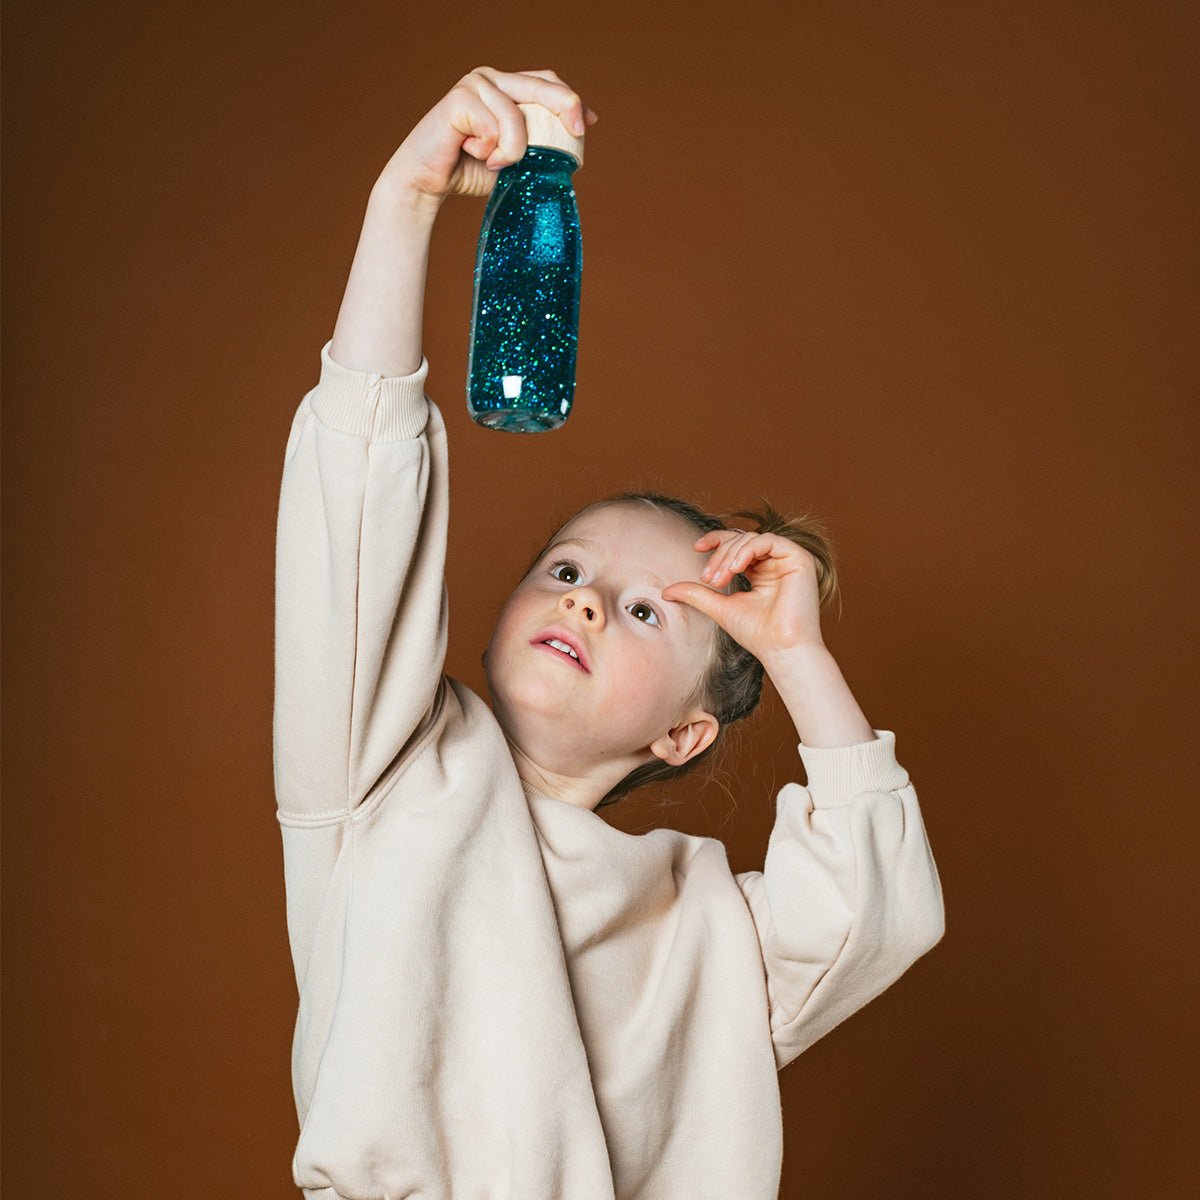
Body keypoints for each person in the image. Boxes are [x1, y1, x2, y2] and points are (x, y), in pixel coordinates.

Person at [273, 66, 946, 1200]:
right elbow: (357, 511)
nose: (584, 599)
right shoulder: (384, 780)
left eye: (642, 610)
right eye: (567, 570)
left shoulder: (704, 927)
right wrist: (407, 200)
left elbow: (876, 916)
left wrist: (797, 657)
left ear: (686, 735)